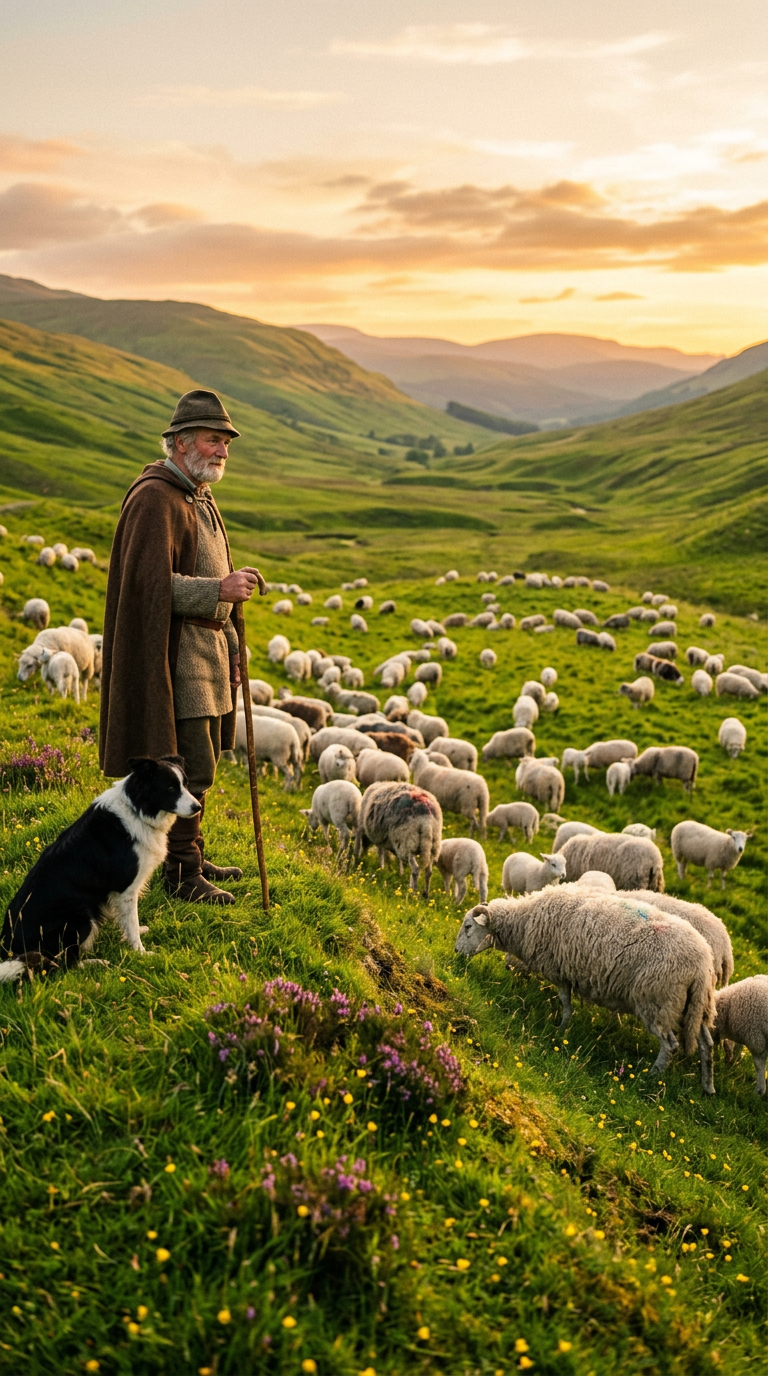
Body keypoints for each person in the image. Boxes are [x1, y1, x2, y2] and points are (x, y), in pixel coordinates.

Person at [99, 388, 266, 904]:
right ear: (181, 442)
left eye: (225, 443)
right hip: (177, 657)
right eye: (214, 440)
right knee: (186, 763)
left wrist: (236, 646)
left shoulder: (197, 496)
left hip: (210, 651)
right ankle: (182, 875)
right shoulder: (155, 497)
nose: (222, 451)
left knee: (204, 763)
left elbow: (211, 573)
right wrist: (218, 591)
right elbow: (146, 585)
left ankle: (187, 853)